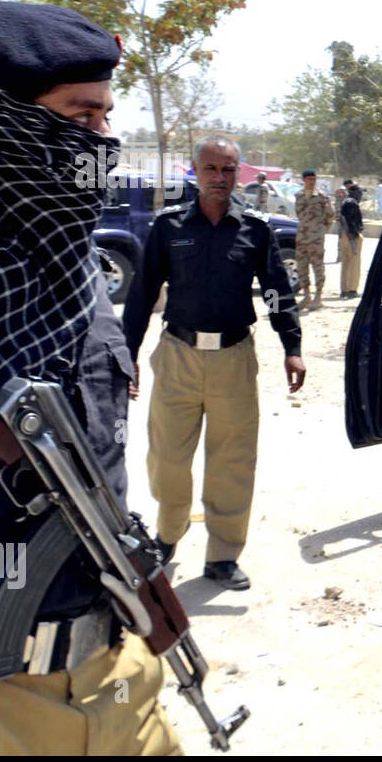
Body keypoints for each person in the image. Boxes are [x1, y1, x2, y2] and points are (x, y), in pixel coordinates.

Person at [0, 2, 181, 754]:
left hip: (119, 675)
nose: (102, 140)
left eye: (107, 115)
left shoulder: (76, 262)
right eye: (81, 114)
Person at [123, 135, 305, 590]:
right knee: (167, 458)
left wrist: (293, 346)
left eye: (228, 170)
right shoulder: (167, 227)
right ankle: (168, 535)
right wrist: (127, 355)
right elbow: (142, 295)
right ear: (195, 171)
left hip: (233, 359)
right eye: (211, 169)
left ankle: (223, 555)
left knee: (232, 460)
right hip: (178, 356)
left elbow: (277, 292)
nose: (220, 178)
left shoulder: (256, 229)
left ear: (237, 172)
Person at [293, 169, 332, 310]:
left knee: (318, 267)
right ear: (304, 180)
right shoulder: (298, 195)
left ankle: (318, 296)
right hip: (302, 237)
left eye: (314, 179)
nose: (312, 181)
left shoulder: (321, 197)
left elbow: (330, 215)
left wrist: (321, 231)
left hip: (316, 238)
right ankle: (306, 295)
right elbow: (299, 214)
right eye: (309, 179)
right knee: (302, 266)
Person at [337, 179, 363, 298]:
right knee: (354, 264)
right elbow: (349, 220)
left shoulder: (345, 202)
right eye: (360, 192)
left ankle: (344, 290)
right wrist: (353, 233)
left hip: (345, 236)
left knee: (345, 264)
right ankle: (352, 289)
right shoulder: (352, 203)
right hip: (352, 237)